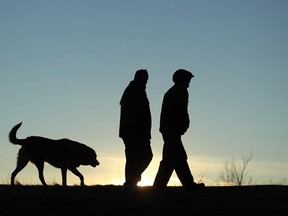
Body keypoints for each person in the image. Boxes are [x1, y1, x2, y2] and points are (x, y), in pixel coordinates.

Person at [153, 69, 204, 190]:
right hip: (172, 130)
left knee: (173, 158)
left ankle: (160, 187)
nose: (189, 82)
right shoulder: (180, 91)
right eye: (188, 79)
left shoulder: (173, 91)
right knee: (176, 157)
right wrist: (182, 125)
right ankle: (186, 184)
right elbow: (180, 112)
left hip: (169, 129)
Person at [119, 69, 153, 189]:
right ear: (137, 77)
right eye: (145, 78)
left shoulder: (136, 90)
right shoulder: (134, 91)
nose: (146, 81)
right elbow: (135, 113)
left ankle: (131, 181)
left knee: (134, 157)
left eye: (147, 78)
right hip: (135, 132)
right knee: (143, 155)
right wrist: (140, 131)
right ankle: (131, 181)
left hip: (135, 131)